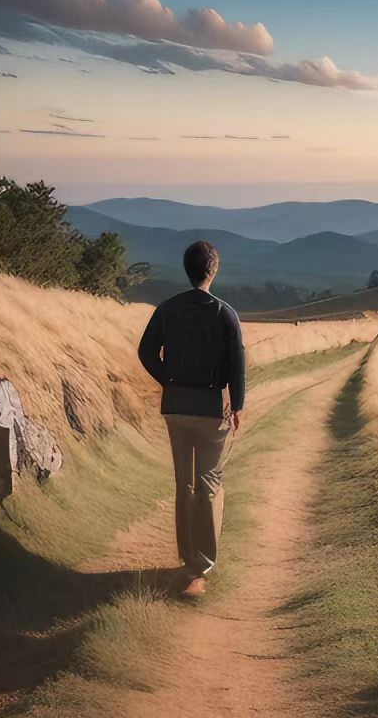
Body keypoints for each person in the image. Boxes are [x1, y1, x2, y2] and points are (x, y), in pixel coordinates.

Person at [137, 240, 245, 597]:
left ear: (187, 269)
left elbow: (146, 352)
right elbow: (236, 364)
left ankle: (187, 559)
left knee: (184, 484)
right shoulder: (224, 312)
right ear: (213, 269)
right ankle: (203, 564)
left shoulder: (168, 308)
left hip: (176, 408)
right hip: (210, 409)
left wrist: (168, 378)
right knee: (209, 485)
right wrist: (238, 404)